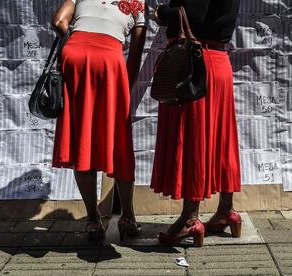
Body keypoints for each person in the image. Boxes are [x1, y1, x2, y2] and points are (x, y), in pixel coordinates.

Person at [51, 0, 147, 241]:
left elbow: (59, 22)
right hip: (108, 61)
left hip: (74, 55)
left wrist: (79, 44)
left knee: (81, 135)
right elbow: (134, 57)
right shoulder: (138, 2)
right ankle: (128, 218)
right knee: (119, 141)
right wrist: (125, 89)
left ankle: (93, 220)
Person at [151, 0, 242, 247]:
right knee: (222, 140)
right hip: (218, 62)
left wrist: (162, 13)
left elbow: (192, 11)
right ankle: (226, 211)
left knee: (193, 138)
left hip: (195, 64)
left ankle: (190, 219)